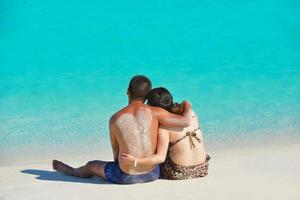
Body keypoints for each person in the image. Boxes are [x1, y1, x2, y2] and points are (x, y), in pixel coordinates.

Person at [52, 75, 192, 184]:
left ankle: (72, 171)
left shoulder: (115, 118)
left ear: (127, 91)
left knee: (91, 165)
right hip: (153, 173)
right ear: (148, 95)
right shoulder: (156, 112)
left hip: (124, 177)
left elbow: (116, 153)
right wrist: (187, 104)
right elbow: (185, 121)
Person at [121, 87, 210, 180]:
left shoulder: (164, 128)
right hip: (202, 168)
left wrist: (135, 161)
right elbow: (187, 103)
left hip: (179, 172)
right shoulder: (191, 114)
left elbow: (160, 158)